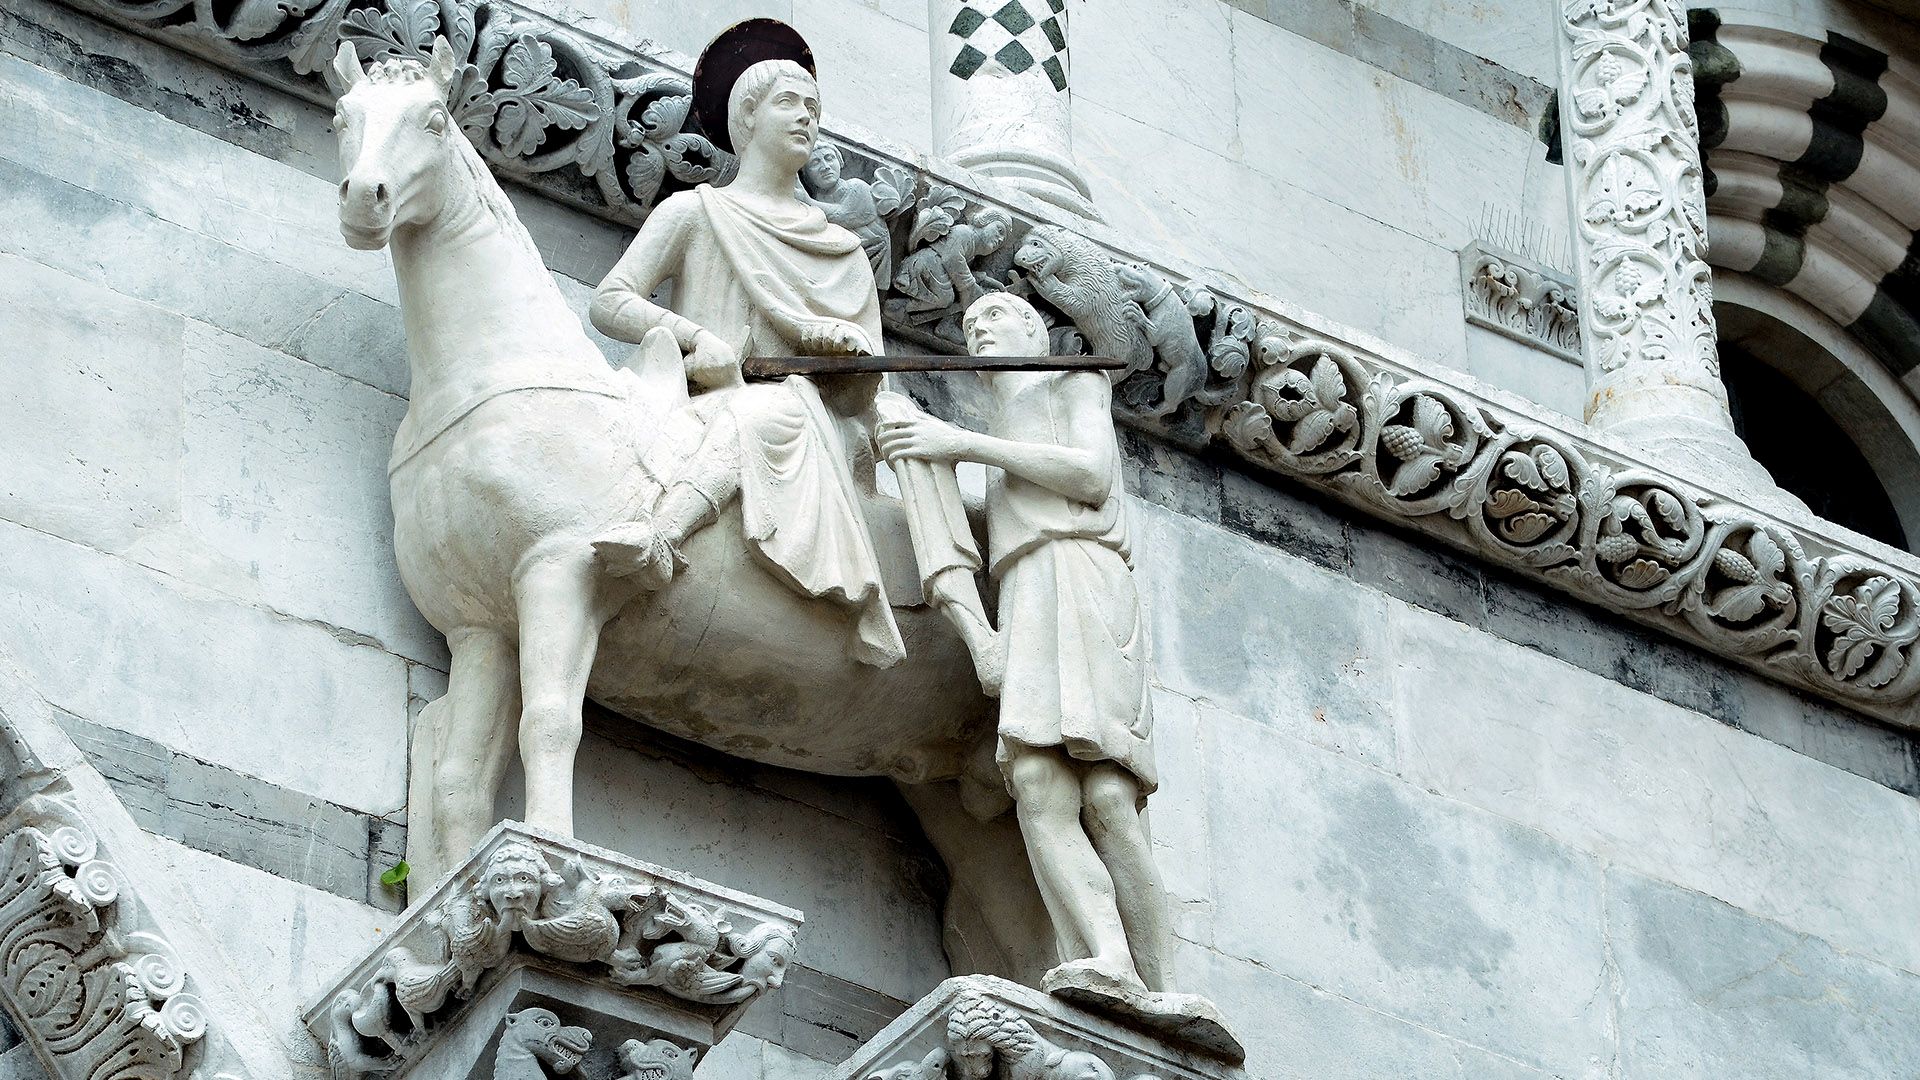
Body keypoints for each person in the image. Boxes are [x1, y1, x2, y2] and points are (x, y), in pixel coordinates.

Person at [875, 292, 1174, 998]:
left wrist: (959, 444)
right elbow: (1002, 512)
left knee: (1106, 794)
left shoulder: (1076, 381)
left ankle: (1159, 991)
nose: (981, 322)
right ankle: (1105, 959)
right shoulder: (1001, 431)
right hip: (1027, 588)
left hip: (1084, 576)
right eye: (971, 319)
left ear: (1036, 328)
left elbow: (1089, 473)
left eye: (999, 313)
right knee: (1038, 784)